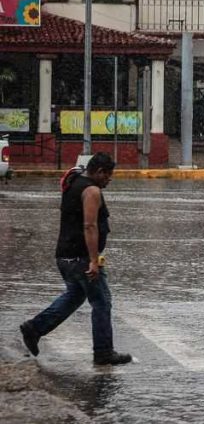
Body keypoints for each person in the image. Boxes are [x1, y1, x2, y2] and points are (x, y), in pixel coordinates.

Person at [19, 153, 132, 366]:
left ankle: (34, 328)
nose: (110, 180)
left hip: (65, 255)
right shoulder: (91, 191)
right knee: (101, 301)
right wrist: (93, 260)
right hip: (80, 257)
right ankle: (103, 352)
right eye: (108, 175)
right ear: (99, 172)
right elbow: (89, 226)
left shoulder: (74, 181)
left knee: (75, 296)